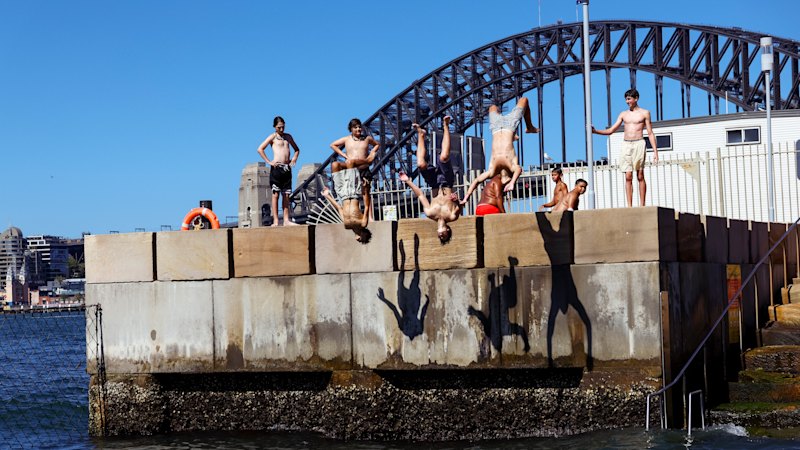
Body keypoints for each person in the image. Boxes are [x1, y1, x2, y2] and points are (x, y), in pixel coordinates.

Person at [461, 97, 539, 204]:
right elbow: (518, 169)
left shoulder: (491, 171)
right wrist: (512, 182)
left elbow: (477, 180)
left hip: (496, 128)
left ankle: (514, 136)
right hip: (509, 126)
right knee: (524, 100)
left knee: (492, 107)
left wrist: (466, 197)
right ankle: (529, 128)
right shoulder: (512, 167)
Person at [398, 116, 462, 243]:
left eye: (439, 237)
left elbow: (420, 195)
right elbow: (460, 205)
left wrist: (408, 181)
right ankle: (446, 126)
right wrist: (457, 200)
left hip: (433, 183)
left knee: (421, 164)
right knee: (444, 157)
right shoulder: (452, 216)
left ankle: (421, 134)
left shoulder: (429, 213)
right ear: (448, 230)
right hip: (447, 182)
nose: (441, 235)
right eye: (444, 236)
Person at [592, 89, 658, 207]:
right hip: (626, 144)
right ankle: (629, 205)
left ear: (636, 98)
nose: (627, 102)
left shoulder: (645, 113)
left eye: (629, 99)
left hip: (639, 143)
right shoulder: (623, 114)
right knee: (628, 176)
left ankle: (642, 205)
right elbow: (611, 130)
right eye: (626, 99)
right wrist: (595, 131)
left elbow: (650, 133)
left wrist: (655, 152)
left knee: (640, 175)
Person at [320, 155, 375, 244]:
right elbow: (367, 206)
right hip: (353, 193)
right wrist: (366, 189)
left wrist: (327, 196)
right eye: (362, 240)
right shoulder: (363, 223)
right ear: (364, 235)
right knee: (350, 163)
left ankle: (354, 166)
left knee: (335, 165)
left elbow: (339, 208)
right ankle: (367, 162)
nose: (359, 240)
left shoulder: (346, 225)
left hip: (342, 194)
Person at [257, 116, 301, 226]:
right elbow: (260, 149)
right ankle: (276, 220)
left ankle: (286, 220)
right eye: (279, 127)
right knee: (275, 195)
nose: (281, 129)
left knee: (286, 195)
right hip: (276, 169)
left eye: (283, 127)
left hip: (287, 168)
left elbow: (297, 149)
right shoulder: (273, 137)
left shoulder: (288, 137)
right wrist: (269, 161)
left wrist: (294, 159)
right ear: (275, 127)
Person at [330, 118, 381, 198]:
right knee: (335, 165)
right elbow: (333, 145)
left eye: (359, 127)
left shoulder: (367, 138)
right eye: (355, 127)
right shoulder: (346, 139)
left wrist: (372, 152)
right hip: (351, 168)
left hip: (363, 168)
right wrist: (344, 155)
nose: (358, 129)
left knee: (366, 194)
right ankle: (340, 191)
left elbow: (377, 144)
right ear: (351, 129)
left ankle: (367, 161)